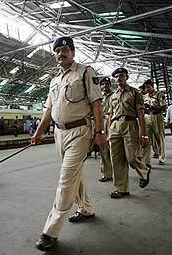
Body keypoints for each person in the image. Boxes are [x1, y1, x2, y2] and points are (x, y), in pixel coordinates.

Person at [31, 36, 106, 251]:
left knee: (65, 179)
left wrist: (100, 132)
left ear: (72, 52)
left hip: (80, 131)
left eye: (65, 49)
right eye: (57, 51)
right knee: (75, 175)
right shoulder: (54, 81)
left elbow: (97, 104)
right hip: (59, 133)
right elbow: (48, 110)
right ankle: (87, 208)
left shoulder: (85, 72)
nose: (61, 53)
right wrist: (38, 132)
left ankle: (50, 231)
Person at [108, 67, 151, 199]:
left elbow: (141, 115)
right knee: (116, 158)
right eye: (116, 76)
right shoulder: (113, 96)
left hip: (130, 124)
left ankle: (144, 171)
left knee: (132, 157)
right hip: (115, 126)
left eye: (121, 75)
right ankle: (121, 189)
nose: (119, 78)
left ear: (126, 77)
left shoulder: (134, 93)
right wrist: (107, 131)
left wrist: (144, 134)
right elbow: (110, 114)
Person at [142, 79, 167, 166]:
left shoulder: (160, 95)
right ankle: (146, 160)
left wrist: (151, 106)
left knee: (159, 137)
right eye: (146, 87)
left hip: (157, 117)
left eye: (148, 87)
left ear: (153, 86)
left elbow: (163, 107)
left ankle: (162, 157)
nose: (147, 89)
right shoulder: (145, 97)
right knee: (148, 138)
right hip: (147, 117)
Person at [98, 77, 113, 182]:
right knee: (103, 148)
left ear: (110, 85)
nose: (104, 86)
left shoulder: (115, 95)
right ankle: (106, 173)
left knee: (113, 148)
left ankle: (116, 172)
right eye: (102, 84)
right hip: (102, 122)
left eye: (106, 84)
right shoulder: (99, 97)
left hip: (112, 121)